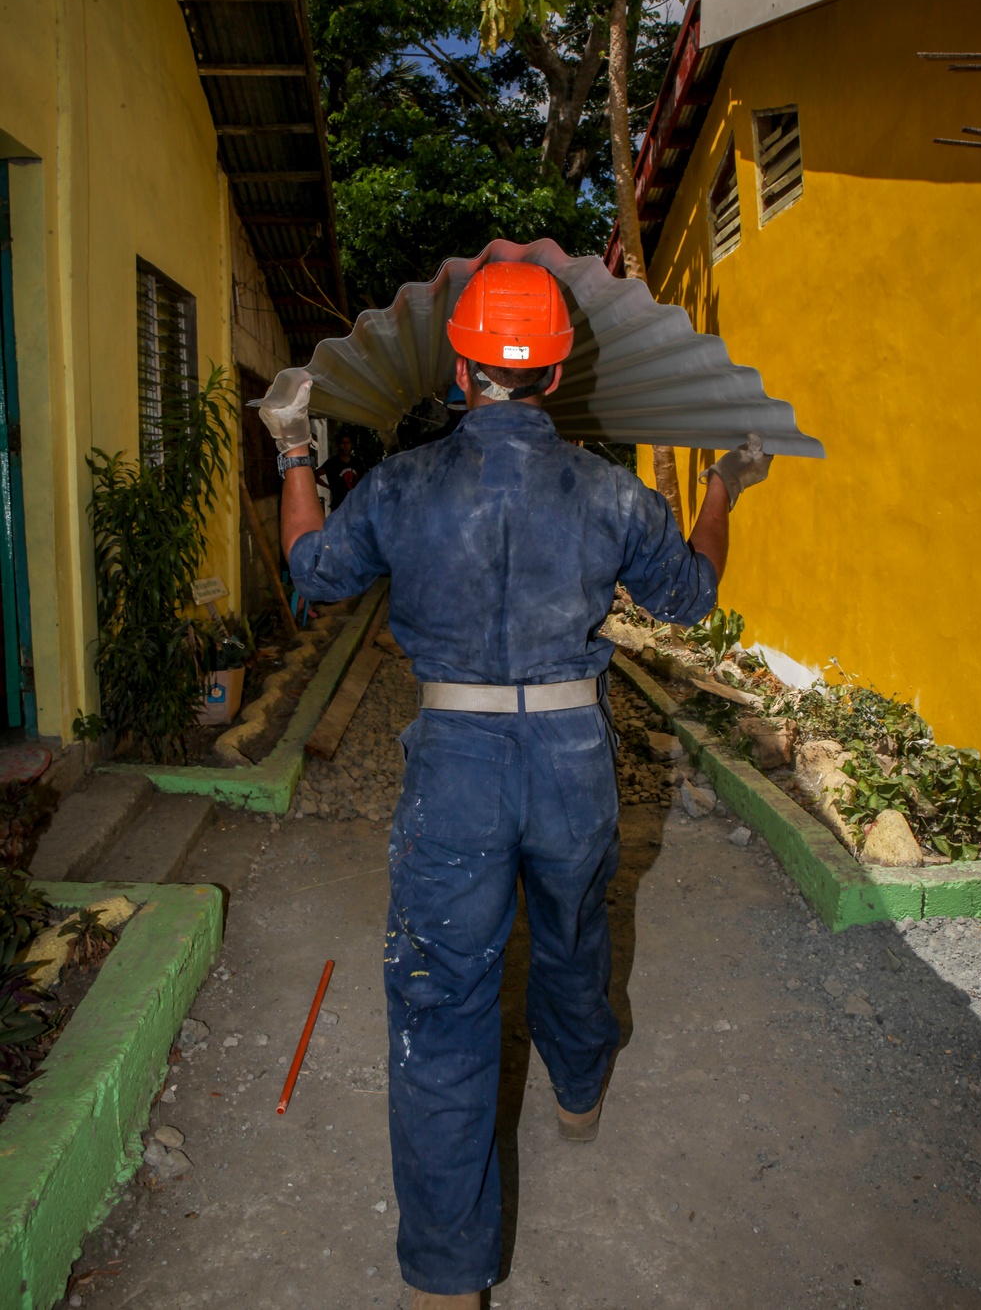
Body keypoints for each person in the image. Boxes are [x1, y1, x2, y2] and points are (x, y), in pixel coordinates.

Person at [260, 261, 772, 1309]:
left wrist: (293, 452)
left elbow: (313, 575)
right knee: (576, 935)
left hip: (457, 763)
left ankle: (449, 1282)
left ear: (459, 369)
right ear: (554, 370)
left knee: (442, 1005)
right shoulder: (610, 492)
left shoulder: (402, 486)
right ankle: (579, 1094)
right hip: (573, 757)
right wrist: (724, 483)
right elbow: (691, 596)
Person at [316, 428, 366, 510]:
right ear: (338, 445)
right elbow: (316, 475)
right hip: (339, 505)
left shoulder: (356, 462)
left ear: (351, 444)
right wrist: (328, 486)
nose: (345, 446)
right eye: (343, 443)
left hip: (355, 504)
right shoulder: (332, 462)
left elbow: (363, 480)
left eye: (348, 443)